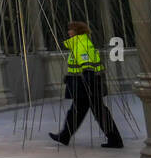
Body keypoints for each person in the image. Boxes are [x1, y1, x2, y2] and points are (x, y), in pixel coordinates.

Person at [49, 20, 122, 149]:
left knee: (94, 112)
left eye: (71, 29)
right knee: (80, 112)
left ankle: (114, 139)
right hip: (86, 85)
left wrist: (87, 84)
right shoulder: (80, 43)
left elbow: (87, 66)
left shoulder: (81, 45)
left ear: (77, 31)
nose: (68, 32)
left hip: (86, 86)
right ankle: (65, 136)